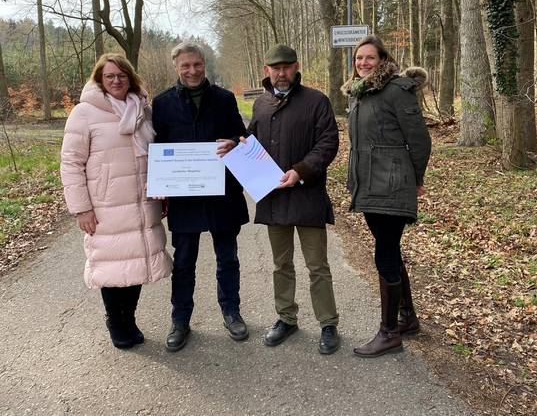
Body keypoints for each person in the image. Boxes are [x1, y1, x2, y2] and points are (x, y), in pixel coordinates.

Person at [60, 53, 172, 350]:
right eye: (109, 76)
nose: (116, 81)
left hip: (142, 200)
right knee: (111, 265)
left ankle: (129, 317)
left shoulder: (143, 110)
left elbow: (157, 154)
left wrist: (163, 189)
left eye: (122, 75)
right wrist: (81, 207)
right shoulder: (84, 113)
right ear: (100, 79)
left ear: (130, 78)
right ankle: (116, 320)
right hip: (105, 205)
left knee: (136, 263)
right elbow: (71, 162)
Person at [152, 41, 249, 352]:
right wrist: (160, 180)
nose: (192, 71)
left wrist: (235, 142)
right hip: (185, 198)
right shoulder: (162, 103)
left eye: (197, 65)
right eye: (185, 66)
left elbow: (240, 136)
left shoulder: (224, 98)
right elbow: (157, 148)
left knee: (228, 258)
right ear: (176, 68)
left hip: (221, 194)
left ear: (204, 65)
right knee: (183, 262)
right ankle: (180, 320)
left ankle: (231, 312)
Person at [245, 43, 341, 355]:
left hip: (307, 194)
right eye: (276, 68)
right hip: (273, 198)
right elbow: (251, 144)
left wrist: (300, 171)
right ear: (266, 71)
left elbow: (328, 143)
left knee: (317, 265)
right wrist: (237, 147)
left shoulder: (316, 101)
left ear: (296, 67)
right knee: (280, 263)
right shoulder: (261, 105)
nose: (282, 73)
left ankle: (328, 323)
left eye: (287, 67)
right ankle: (286, 318)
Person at [342, 35, 431, 358]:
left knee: (385, 252)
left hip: (392, 184)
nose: (363, 63)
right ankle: (407, 318)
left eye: (369, 58)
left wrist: (416, 178)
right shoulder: (359, 93)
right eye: (358, 58)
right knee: (389, 249)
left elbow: (420, 140)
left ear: (382, 60)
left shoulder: (396, 90)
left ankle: (389, 332)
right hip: (368, 184)